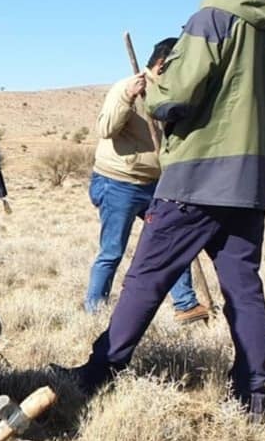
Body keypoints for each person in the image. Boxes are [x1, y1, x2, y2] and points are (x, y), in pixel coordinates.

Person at [57, 0, 265, 420]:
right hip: (252, 180)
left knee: (146, 279)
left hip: (195, 177)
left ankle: (96, 374)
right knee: (243, 287)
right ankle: (254, 397)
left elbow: (176, 97)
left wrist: (155, 90)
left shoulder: (211, 17)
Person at [85, 37, 206, 320]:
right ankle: (93, 312)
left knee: (172, 241)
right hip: (118, 182)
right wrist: (128, 97)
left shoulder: (171, 92)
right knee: (112, 251)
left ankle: (186, 305)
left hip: (156, 183)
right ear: (163, 64)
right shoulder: (126, 87)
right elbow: (105, 129)